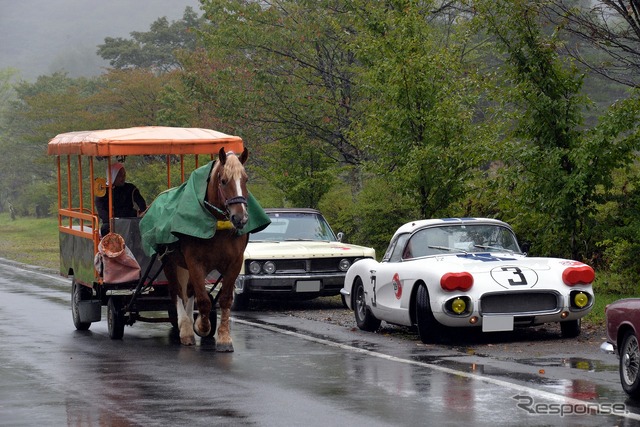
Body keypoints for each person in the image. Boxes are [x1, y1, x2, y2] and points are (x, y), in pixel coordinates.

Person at [96, 162, 147, 236]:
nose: (123, 177)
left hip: (130, 222)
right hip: (112, 223)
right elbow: (101, 210)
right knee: (105, 228)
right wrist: (110, 222)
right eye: (120, 175)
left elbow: (141, 204)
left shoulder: (130, 188)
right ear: (112, 176)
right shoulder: (103, 192)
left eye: (124, 175)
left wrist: (143, 212)